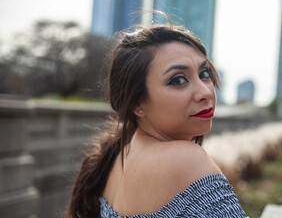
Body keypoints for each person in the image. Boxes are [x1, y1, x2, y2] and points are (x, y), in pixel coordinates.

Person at [66, 21, 248, 218]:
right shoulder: (186, 159)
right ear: (137, 103)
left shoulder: (118, 155)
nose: (205, 92)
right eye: (178, 80)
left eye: (204, 74)